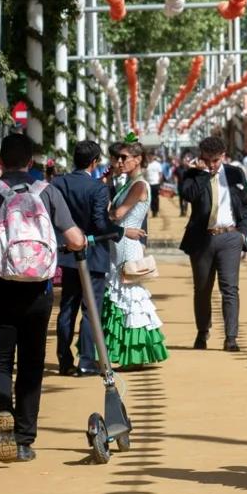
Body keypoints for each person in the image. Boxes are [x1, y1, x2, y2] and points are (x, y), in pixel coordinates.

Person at [0, 133, 85, 462]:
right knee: (31, 363)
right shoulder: (48, 192)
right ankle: (25, 439)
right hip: (37, 290)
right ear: (31, 162)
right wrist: (78, 242)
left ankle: (3, 411)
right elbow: (74, 239)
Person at [52, 140, 139, 377]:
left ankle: (64, 359)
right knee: (91, 310)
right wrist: (121, 232)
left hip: (68, 254)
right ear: (94, 162)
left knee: (67, 308)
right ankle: (87, 360)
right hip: (93, 254)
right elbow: (101, 223)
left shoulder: (58, 183)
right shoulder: (97, 188)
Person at [180, 136, 247, 352]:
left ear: (223, 156)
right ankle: (202, 331)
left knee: (230, 289)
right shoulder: (193, 175)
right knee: (202, 289)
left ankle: (231, 337)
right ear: (201, 157)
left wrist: (242, 234)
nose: (212, 165)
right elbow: (188, 195)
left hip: (230, 236)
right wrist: (203, 173)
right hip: (202, 238)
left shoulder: (235, 173)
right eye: (207, 160)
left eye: (215, 160)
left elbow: (246, 205)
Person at [102, 139, 168, 368]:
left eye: (124, 157)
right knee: (119, 294)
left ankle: (135, 354)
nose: (119, 162)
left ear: (138, 159)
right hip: (120, 243)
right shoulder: (128, 184)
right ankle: (121, 351)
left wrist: (108, 215)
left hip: (128, 246)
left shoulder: (139, 185)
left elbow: (116, 214)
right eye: (116, 158)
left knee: (130, 295)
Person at [145, 153, 164, 218]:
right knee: (149, 198)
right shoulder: (146, 164)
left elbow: (160, 173)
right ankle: (152, 210)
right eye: (149, 156)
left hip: (156, 183)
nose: (150, 157)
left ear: (153, 156)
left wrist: (159, 181)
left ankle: (156, 211)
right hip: (148, 183)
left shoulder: (157, 164)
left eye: (151, 156)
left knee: (155, 198)